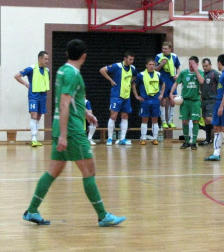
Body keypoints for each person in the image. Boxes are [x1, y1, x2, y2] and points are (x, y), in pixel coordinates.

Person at [22, 39, 126, 227]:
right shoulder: (72, 74)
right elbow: (63, 103)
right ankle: (103, 216)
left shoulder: (62, 70)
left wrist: (86, 113)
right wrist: (63, 135)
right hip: (72, 131)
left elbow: (70, 100)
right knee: (89, 170)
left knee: (53, 171)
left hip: (63, 127)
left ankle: (31, 210)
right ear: (84, 56)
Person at [100, 51, 138, 146]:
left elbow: (136, 77)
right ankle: (109, 138)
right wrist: (111, 80)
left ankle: (122, 139)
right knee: (113, 116)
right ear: (125, 59)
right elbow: (102, 70)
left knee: (125, 116)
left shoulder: (133, 68)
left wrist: (130, 82)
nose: (132, 61)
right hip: (116, 96)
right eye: (130, 59)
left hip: (126, 96)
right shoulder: (117, 66)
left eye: (133, 59)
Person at [14, 51, 50, 147]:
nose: (47, 61)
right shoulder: (31, 68)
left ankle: (35, 138)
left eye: (48, 59)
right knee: (34, 115)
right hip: (34, 95)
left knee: (38, 117)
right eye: (46, 59)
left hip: (43, 96)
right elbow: (17, 76)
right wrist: (26, 84)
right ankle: (33, 138)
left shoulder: (47, 71)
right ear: (40, 58)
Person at [170, 56, 204, 150]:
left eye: (192, 64)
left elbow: (201, 81)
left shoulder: (200, 73)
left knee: (195, 121)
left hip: (195, 101)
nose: (190, 66)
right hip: (185, 101)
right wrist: (171, 93)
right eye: (189, 63)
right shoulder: (184, 73)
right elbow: (176, 83)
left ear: (197, 64)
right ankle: (186, 141)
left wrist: (196, 70)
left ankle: (193, 142)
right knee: (185, 121)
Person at [132, 58, 165, 145]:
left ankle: (155, 138)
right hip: (145, 100)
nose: (152, 66)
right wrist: (136, 96)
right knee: (144, 119)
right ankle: (143, 138)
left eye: (153, 65)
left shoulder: (158, 74)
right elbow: (134, 84)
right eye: (150, 64)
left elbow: (163, 84)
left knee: (155, 120)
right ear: (146, 65)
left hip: (155, 100)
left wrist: (161, 94)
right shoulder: (141, 75)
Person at [155, 42, 181, 129]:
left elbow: (178, 67)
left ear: (170, 49)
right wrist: (161, 64)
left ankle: (170, 121)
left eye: (166, 48)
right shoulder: (159, 57)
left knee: (173, 100)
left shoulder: (174, 56)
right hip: (163, 81)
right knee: (163, 100)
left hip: (172, 81)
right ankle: (164, 121)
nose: (164, 50)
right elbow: (155, 69)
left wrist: (177, 74)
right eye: (163, 48)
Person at [199, 58, 221, 146]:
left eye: (206, 66)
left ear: (210, 65)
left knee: (209, 118)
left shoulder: (214, 74)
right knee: (205, 120)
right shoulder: (202, 74)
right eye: (203, 66)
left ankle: (217, 137)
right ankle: (208, 139)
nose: (205, 67)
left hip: (212, 100)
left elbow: (221, 85)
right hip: (204, 100)